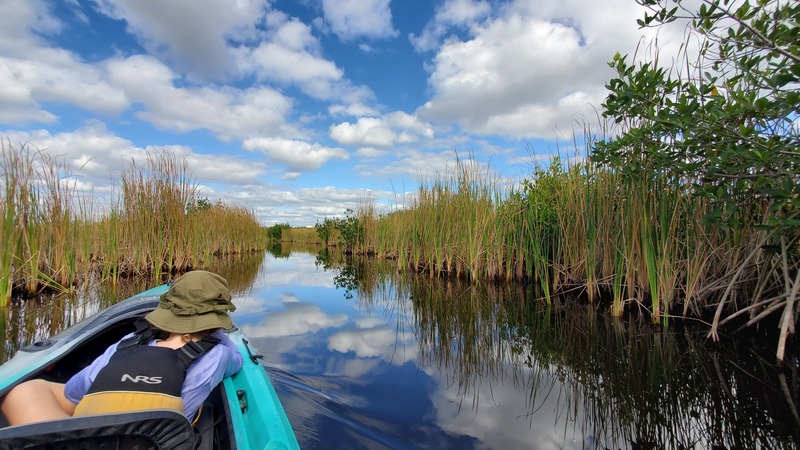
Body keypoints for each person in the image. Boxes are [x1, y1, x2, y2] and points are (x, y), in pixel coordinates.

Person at [1, 270, 243, 426]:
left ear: (168, 313)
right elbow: (236, 359)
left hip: (90, 438)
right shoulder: (218, 355)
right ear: (215, 323)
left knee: (28, 390)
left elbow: (75, 392)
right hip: (153, 441)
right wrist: (213, 330)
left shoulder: (125, 344)